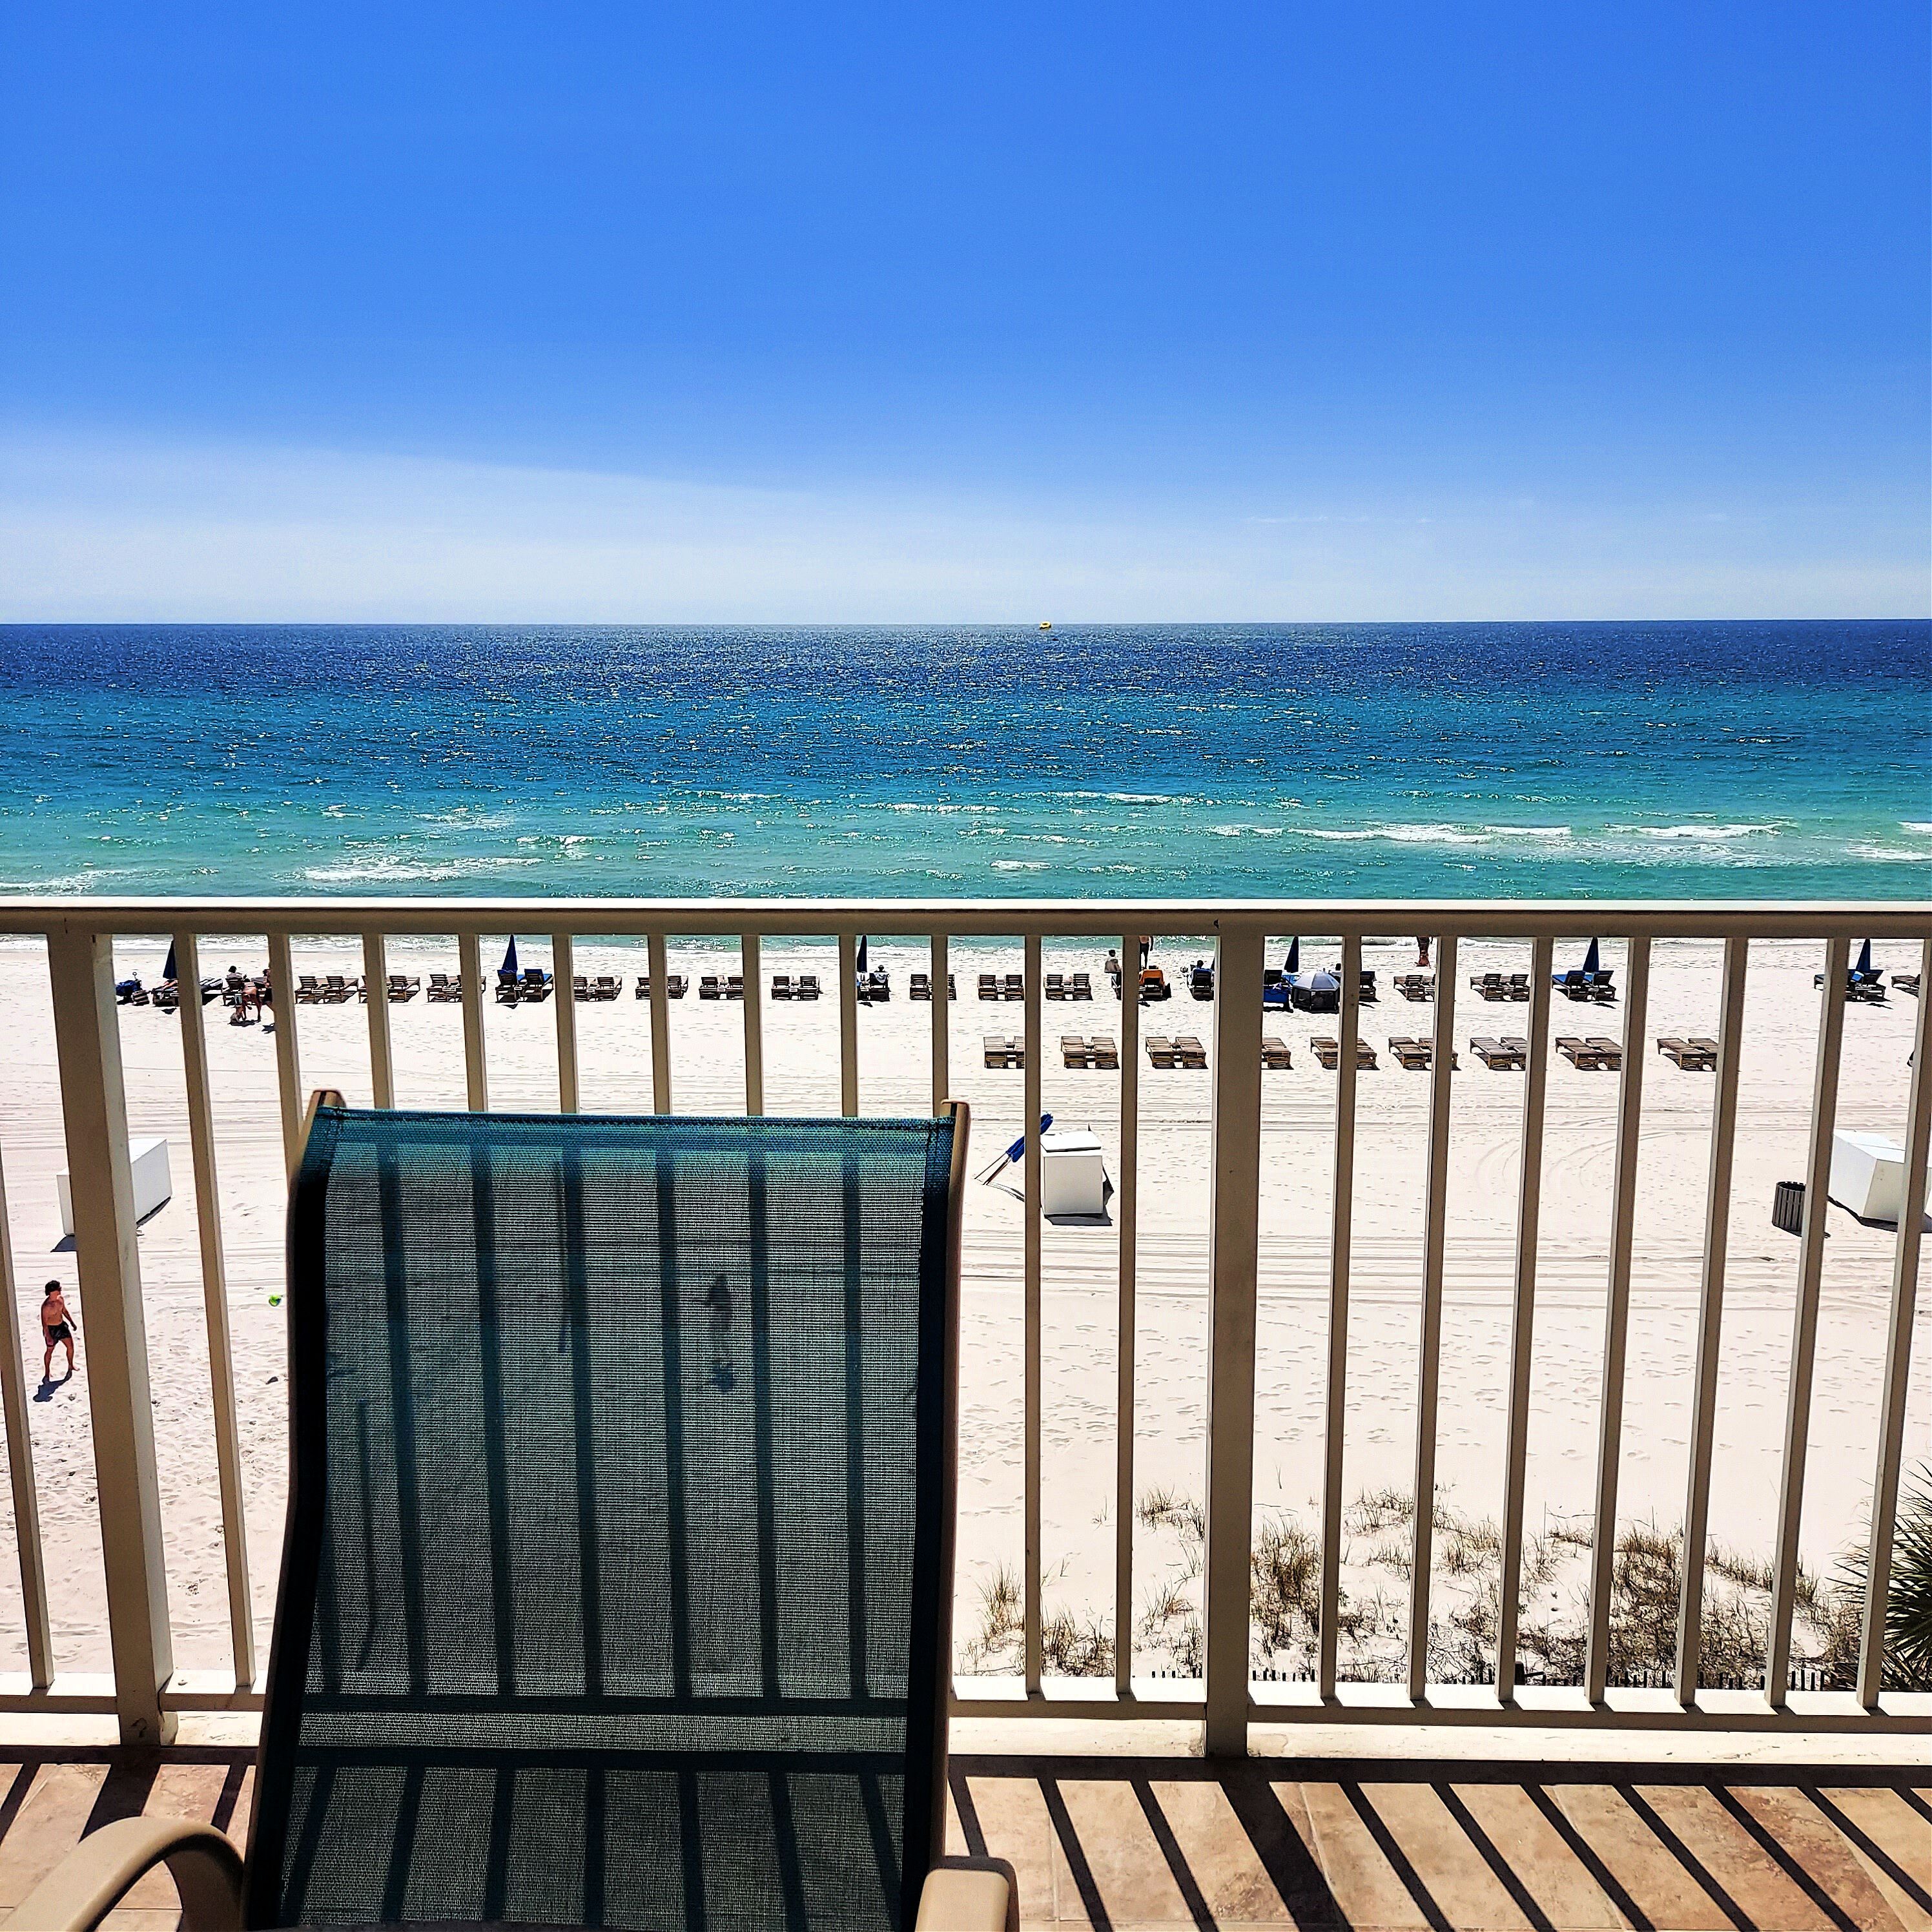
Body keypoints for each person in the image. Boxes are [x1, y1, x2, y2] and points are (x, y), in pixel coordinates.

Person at [40, 1282, 77, 1382]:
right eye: (59, 1288)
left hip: (61, 1326)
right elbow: (44, 1323)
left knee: (70, 1346)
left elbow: (65, 1311)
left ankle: (71, 1365)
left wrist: (72, 1322)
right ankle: (47, 1372)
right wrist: (48, 1336)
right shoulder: (46, 1306)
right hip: (51, 1330)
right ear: (52, 1291)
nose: (60, 1290)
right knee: (50, 1351)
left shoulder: (60, 1299)